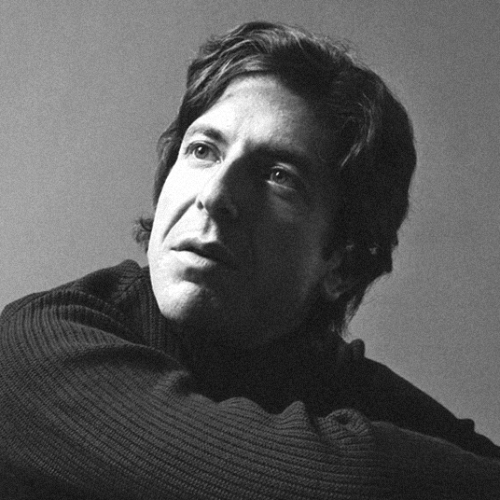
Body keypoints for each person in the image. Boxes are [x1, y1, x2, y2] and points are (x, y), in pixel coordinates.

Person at [1, 21, 499, 500]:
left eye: (279, 176)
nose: (215, 195)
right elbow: (355, 480)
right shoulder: (38, 343)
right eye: (202, 150)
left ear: (342, 266)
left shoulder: (330, 375)